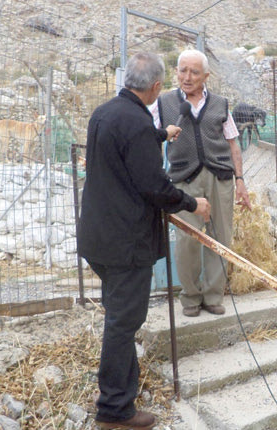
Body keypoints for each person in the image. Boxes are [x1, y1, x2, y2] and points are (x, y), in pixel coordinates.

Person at [77, 52, 211, 430]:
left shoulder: (105, 113)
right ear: (155, 87)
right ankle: (115, 409)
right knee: (124, 322)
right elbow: (155, 188)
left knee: (118, 313)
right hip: (125, 243)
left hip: (98, 237)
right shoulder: (137, 122)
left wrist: (159, 135)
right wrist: (192, 203)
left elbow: (124, 147)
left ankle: (119, 388)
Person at [157, 48, 251, 318]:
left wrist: (240, 181)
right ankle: (190, 296)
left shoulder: (221, 104)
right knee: (187, 239)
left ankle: (213, 296)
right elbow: (150, 137)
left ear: (206, 76)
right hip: (184, 179)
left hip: (220, 178)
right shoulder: (164, 103)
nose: (187, 77)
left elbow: (233, 145)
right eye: (182, 70)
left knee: (221, 237)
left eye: (194, 72)